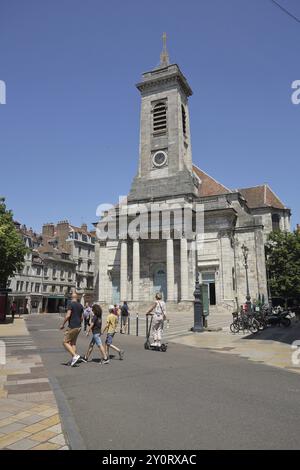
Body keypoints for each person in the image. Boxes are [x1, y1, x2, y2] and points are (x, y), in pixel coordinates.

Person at [60, 292, 83, 367]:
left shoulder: (71, 304)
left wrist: (63, 324)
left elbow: (68, 315)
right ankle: (74, 359)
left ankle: (75, 355)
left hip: (72, 326)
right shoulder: (80, 305)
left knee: (65, 342)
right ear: (77, 297)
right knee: (73, 343)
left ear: (71, 298)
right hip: (79, 326)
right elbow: (82, 318)